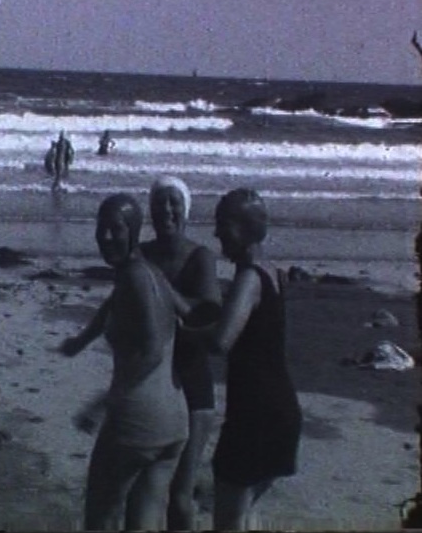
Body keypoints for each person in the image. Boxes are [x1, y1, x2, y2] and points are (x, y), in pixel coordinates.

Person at [65, 176, 222, 529]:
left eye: (116, 229)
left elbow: (156, 346)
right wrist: (83, 338)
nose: (106, 237)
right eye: (101, 228)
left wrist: (102, 403)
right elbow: (116, 303)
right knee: (147, 515)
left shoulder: (184, 261)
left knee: (106, 517)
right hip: (172, 411)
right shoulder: (143, 264)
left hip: (164, 399)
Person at [181, 188, 302, 531]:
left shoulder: (249, 279)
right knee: (246, 510)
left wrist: (184, 333)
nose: (217, 233)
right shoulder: (274, 273)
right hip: (282, 409)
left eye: (224, 224)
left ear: (245, 228)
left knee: (229, 519)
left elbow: (221, 341)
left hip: (255, 415)